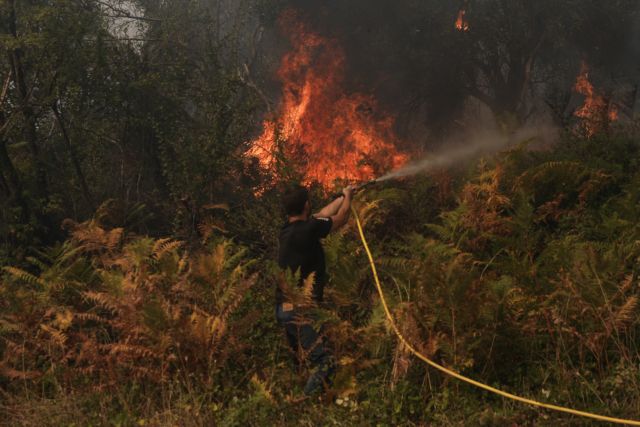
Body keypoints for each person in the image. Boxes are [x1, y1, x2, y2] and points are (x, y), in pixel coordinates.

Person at [276, 184, 354, 396]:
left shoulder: (289, 229)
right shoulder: (309, 229)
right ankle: (304, 406)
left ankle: (300, 403)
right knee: (325, 361)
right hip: (300, 309)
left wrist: (342, 196)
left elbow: (321, 215)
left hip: (284, 307)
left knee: (301, 363)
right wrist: (347, 199)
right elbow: (341, 218)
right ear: (306, 205)